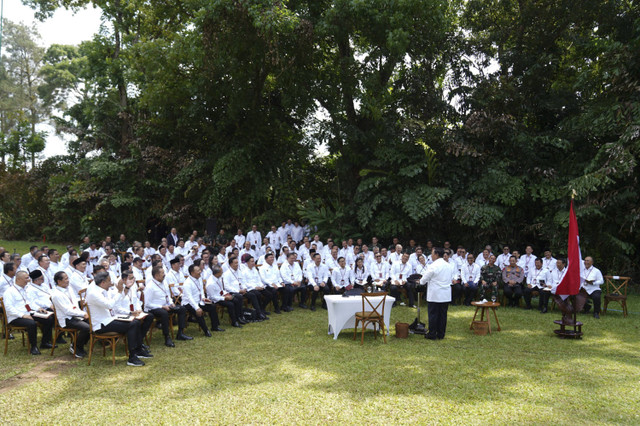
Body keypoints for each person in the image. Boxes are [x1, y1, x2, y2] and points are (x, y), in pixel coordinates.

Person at [85, 272, 150, 366]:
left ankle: (138, 350)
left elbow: (118, 300)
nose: (111, 283)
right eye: (109, 281)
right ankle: (132, 356)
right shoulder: (94, 294)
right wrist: (119, 291)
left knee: (135, 321)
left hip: (110, 319)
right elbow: (110, 305)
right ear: (102, 283)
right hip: (101, 325)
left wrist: (126, 288)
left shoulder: (104, 290)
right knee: (133, 324)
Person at [3, 271, 55, 354]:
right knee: (31, 323)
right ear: (19, 279)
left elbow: (29, 302)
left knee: (48, 318)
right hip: (16, 317)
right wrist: (23, 315)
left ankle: (45, 342)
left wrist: (38, 309)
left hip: (28, 312)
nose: (29, 280)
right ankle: (33, 347)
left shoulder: (25, 289)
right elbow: (9, 308)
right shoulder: (9, 292)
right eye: (26, 278)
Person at [144, 266, 192, 347]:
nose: (164, 274)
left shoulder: (164, 282)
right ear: (156, 275)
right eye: (162, 273)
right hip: (153, 308)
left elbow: (167, 295)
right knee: (164, 313)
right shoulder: (150, 286)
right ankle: (167, 337)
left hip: (166, 306)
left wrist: (171, 303)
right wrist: (162, 306)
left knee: (182, 309)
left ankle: (180, 333)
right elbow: (147, 304)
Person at [51, 271, 91, 358]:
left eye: (68, 278)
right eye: (66, 279)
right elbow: (67, 311)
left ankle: (78, 344)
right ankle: (76, 347)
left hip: (75, 315)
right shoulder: (56, 295)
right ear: (59, 281)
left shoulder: (69, 289)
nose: (68, 280)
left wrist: (81, 313)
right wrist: (82, 313)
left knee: (92, 323)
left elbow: (74, 305)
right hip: (66, 319)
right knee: (86, 327)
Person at [183, 264, 224, 336]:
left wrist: (203, 298)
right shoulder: (187, 283)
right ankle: (206, 331)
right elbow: (190, 298)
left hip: (199, 301)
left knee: (212, 307)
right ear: (192, 273)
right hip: (189, 303)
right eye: (198, 271)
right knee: (199, 313)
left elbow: (201, 290)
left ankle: (215, 326)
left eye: (200, 270)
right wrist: (197, 308)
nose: (200, 272)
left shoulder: (199, 278)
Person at [419, 248, 451, 340]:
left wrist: (420, 281)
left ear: (436, 254)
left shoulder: (433, 266)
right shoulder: (448, 265)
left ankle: (432, 334)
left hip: (435, 294)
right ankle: (441, 334)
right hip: (445, 294)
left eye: (432, 253)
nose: (431, 255)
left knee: (433, 314)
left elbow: (424, 279)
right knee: (443, 315)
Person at [223, 256, 267, 320]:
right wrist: (238, 291)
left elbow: (243, 282)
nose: (237, 264)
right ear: (230, 264)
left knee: (253, 295)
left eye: (237, 263)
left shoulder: (239, 271)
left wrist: (244, 288)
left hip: (242, 291)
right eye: (235, 263)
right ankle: (240, 316)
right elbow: (227, 287)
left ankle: (258, 313)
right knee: (239, 297)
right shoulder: (227, 274)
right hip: (233, 292)